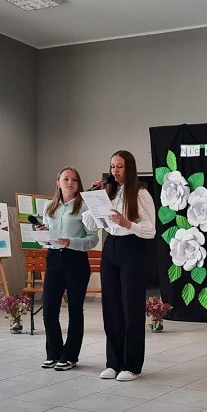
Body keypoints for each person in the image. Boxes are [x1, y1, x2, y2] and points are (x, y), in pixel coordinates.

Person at [83, 150, 156, 382]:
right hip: (110, 247)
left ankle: (131, 365)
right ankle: (113, 363)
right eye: (112, 166)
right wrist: (92, 197)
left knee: (131, 308)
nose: (115, 170)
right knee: (111, 307)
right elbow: (90, 224)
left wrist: (127, 223)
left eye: (120, 166)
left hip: (132, 249)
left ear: (129, 168)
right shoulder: (108, 192)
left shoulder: (141, 193)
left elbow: (151, 230)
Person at [32, 167, 98, 371]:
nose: (70, 183)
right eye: (66, 179)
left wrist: (71, 242)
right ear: (58, 183)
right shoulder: (49, 206)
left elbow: (93, 239)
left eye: (74, 180)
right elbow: (46, 241)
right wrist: (42, 233)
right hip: (54, 258)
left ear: (78, 184)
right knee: (49, 309)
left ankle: (70, 356)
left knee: (75, 310)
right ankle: (53, 353)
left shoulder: (85, 207)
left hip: (75, 260)